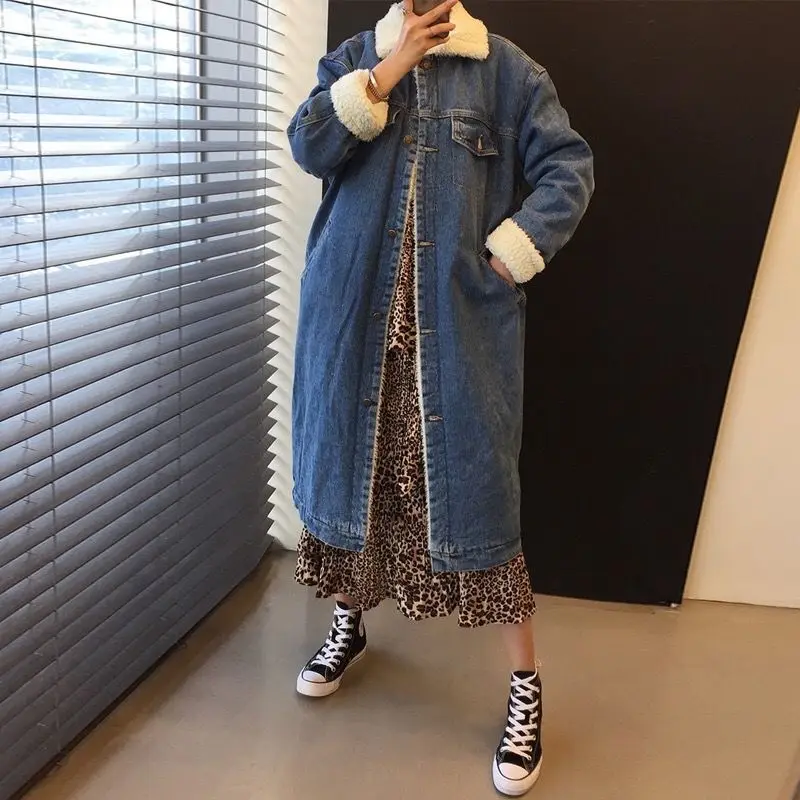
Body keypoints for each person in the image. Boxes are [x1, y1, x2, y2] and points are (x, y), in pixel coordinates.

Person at [287, 0, 593, 794]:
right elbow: (309, 146)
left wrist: (513, 251)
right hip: (353, 325)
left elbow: (569, 167)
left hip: (455, 337)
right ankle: (350, 624)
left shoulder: (508, 73)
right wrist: (384, 74)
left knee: (480, 505)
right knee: (356, 488)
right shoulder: (357, 57)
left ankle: (525, 688)